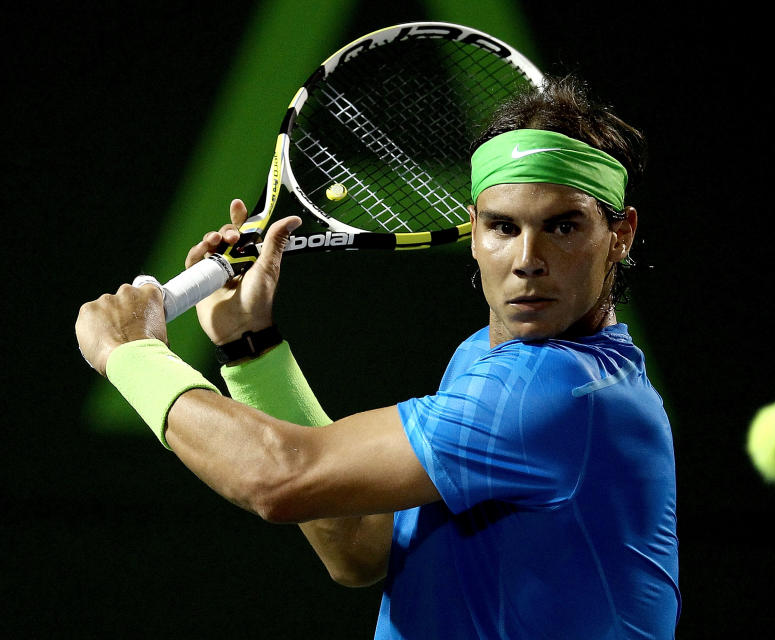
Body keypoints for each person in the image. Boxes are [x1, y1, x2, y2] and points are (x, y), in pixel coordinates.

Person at [76, 75, 680, 639]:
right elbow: (357, 547)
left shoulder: (552, 390)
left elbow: (280, 479)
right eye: (502, 227)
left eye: (564, 227)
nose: (527, 258)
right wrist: (248, 343)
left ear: (620, 234)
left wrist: (130, 354)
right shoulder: (487, 359)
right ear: (473, 231)